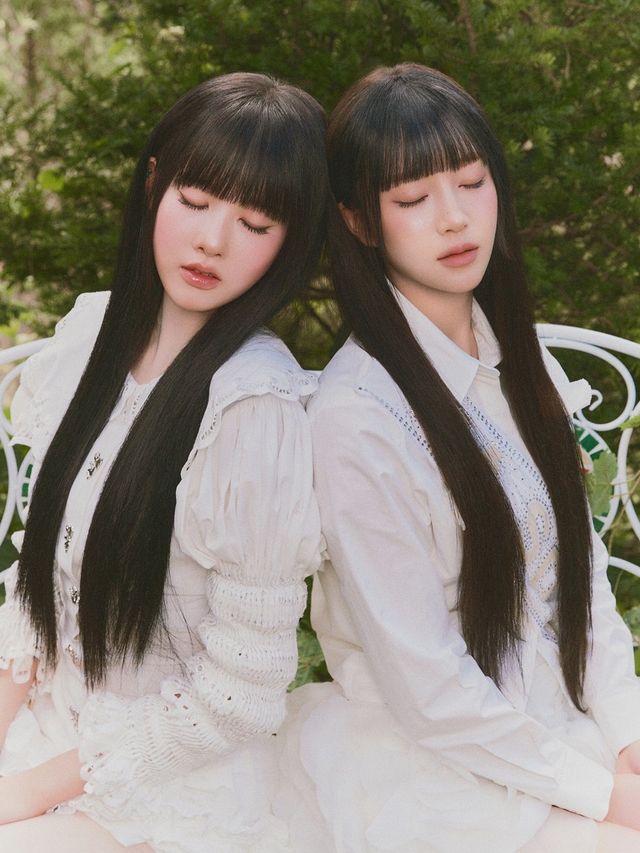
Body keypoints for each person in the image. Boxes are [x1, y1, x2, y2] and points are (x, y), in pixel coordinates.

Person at [274, 64, 640, 852]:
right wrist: (604, 795)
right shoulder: (358, 418)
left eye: (472, 183)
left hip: (557, 730)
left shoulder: (516, 357)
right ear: (359, 222)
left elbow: (580, 584)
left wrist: (628, 739)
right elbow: (428, 689)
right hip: (440, 769)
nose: (454, 218)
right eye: (412, 199)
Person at [0, 71, 327, 851]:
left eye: (255, 222)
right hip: (48, 742)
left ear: (290, 242)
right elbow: (38, 597)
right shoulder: (92, 338)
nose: (214, 240)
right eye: (196, 200)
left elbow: (241, 691)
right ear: (154, 185)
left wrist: (22, 794)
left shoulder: (251, 406)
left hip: (167, 789)